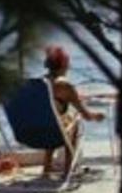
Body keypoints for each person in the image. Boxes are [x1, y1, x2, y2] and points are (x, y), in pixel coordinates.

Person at [42, 45, 105, 180]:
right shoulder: (65, 86)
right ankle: (68, 170)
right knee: (74, 119)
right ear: (64, 65)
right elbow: (86, 115)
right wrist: (97, 116)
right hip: (55, 133)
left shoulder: (37, 84)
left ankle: (46, 167)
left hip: (33, 133)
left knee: (50, 118)